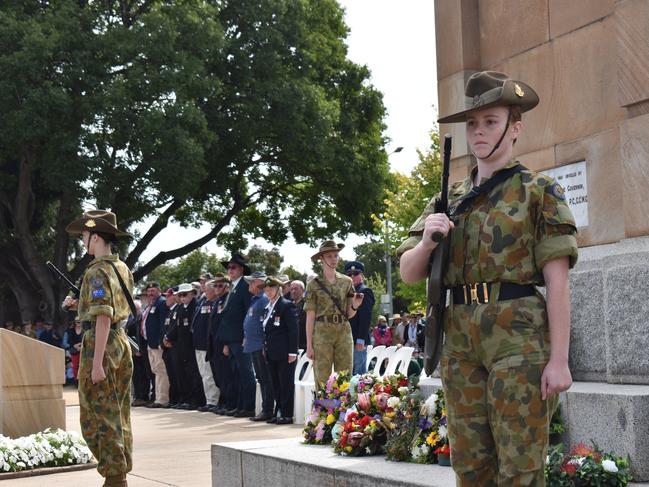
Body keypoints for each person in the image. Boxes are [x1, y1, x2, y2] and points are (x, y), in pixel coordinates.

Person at [398, 71, 578, 486]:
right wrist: (426, 242)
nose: (479, 132)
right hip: (460, 341)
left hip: (518, 337)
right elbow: (409, 272)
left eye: (491, 122)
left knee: (520, 465)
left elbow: (558, 283)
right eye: (473, 124)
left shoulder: (539, 191)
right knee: (470, 465)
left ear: (515, 129)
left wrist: (559, 360)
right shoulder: (447, 198)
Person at [62, 209, 134, 487]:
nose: (82, 240)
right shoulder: (121, 267)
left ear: (95, 236)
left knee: (98, 416)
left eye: (84, 235)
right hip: (120, 343)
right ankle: (119, 474)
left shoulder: (95, 272)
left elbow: (103, 317)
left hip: (100, 345)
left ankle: (115, 479)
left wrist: (95, 365)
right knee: (118, 412)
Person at [304, 240, 364, 387]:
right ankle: (322, 409)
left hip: (343, 330)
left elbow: (349, 315)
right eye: (329, 256)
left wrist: (355, 306)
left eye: (336, 255)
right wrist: (309, 345)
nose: (333, 259)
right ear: (321, 259)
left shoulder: (346, 281)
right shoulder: (313, 284)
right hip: (322, 331)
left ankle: (342, 410)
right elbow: (310, 316)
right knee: (322, 377)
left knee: (344, 377)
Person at [215, 253, 255, 417]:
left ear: (242, 269)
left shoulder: (245, 286)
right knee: (236, 373)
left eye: (233, 267)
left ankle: (248, 407)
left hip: (241, 338)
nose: (230, 270)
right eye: (228, 267)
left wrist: (247, 336)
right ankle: (239, 406)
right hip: (231, 338)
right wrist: (225, 342)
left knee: (245, 372)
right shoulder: (233, 287)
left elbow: (248, 313)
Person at [261, 276, 298, 424]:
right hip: (271, 351)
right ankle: (279, 411)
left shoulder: (286, 305)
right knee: (275, 382)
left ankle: (287, 414)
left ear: (279, 289)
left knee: (285, 383)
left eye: (272, 288)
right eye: (266, 288)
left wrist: (292, 352)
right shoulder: (267, 307)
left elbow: (293, 330)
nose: (268, 291)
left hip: (284, 352)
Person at [242, 271, 274, 422]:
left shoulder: (263, 300)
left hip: (260, 345)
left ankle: (267, 410)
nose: (249, 285)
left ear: (258, 283)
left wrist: (264, 343)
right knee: (261, 378)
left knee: (265, 378)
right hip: (253, 344)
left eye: (251, 282)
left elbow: (265, 323)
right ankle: (265, 408)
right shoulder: (255, 299)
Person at [193, 279, 220, 412]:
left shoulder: (214, 303)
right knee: (204, 374)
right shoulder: (203, 301)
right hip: (198, 344)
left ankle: (213, 401)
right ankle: (209, 399)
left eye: (208, 289)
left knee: (209, 374)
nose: (205, 291)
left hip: (206, 345)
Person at [344, 261, 375, 375]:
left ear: (361, 275)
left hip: (358, 339)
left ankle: (360, 394)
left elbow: (366, 318)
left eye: (355, 273)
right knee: (348, 375)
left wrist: (360, 340)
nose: (352, 276)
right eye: (349, 274)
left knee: (358, 376)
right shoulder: (348, 292)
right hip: (347, 339)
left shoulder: (365, 291)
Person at [142, 282, 169, 408]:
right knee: (156, 371)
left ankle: (162, 399)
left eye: (153, 290)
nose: (150, 293)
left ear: (159, 290)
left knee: (161, 371)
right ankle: (157, 397)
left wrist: (160, 341)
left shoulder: (161, 303)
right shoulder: (151, 304)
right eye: (149, 291)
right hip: (150, 343)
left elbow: (163, 323)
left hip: (157, 344)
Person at [289, 280, 306, 350]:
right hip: (291, 344)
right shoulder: (288, 305)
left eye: (296, 289)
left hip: (303, 345)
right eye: (291, 289)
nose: (293, 291)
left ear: (302, 290)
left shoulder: (307, 305)